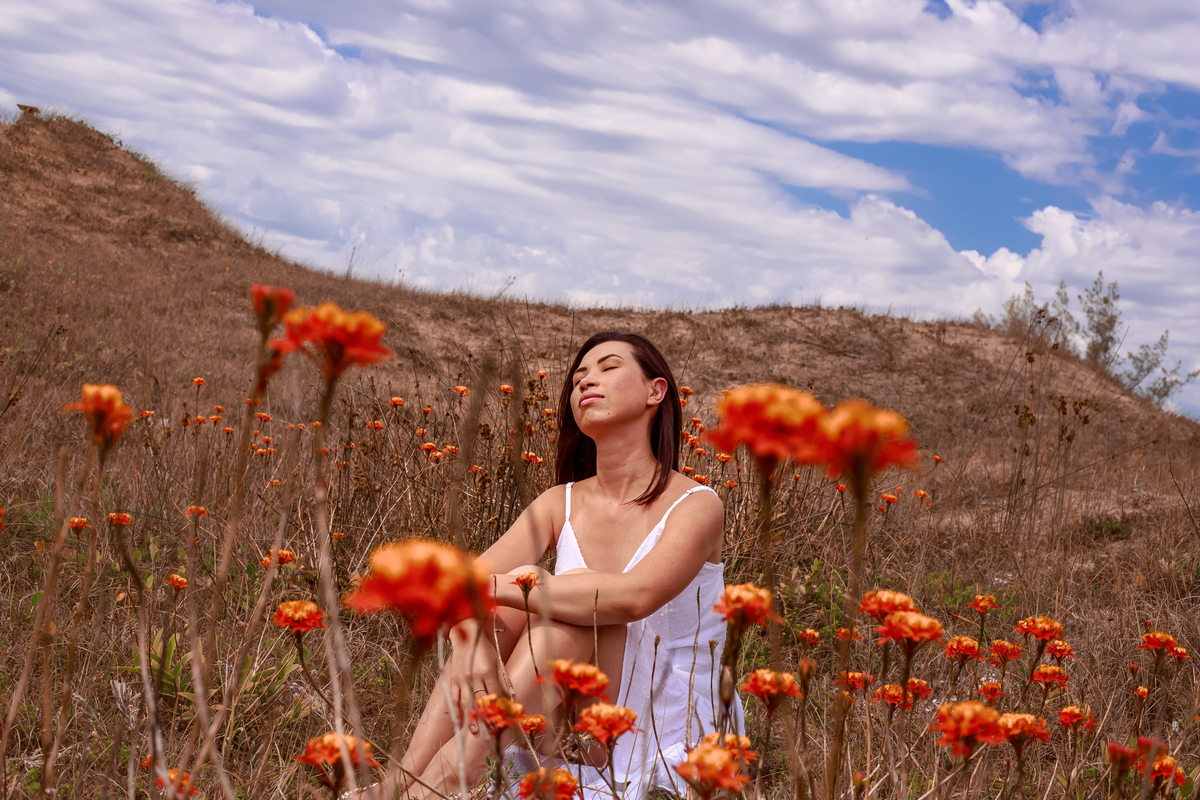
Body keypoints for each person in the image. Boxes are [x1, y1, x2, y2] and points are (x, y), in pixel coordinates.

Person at [396, 331, 739, 799]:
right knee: (506, 606)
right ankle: (404, 782)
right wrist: (474, 638)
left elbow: (634, 598)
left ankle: (448, 777)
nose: (585, 382)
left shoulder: (698, 505)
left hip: (655, 721)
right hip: (566, 715)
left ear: (655, 392)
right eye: (578, 377)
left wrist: (522, 585)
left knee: (568, 594)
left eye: (608, 367)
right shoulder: (561, 501)